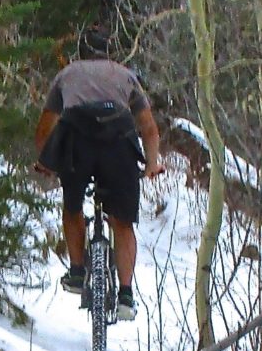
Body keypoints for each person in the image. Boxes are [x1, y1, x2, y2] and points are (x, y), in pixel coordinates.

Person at [32, 48, 164, 315]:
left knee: (72, 207)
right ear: (110, 56)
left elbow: (46, 127)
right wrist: (151, 163)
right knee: (123, 221)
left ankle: (78, 272)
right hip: (119, 141)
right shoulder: (126, 76)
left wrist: (45, 160)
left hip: (76, 142)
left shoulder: (66, 75)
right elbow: (148, 127)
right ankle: (126, 295)